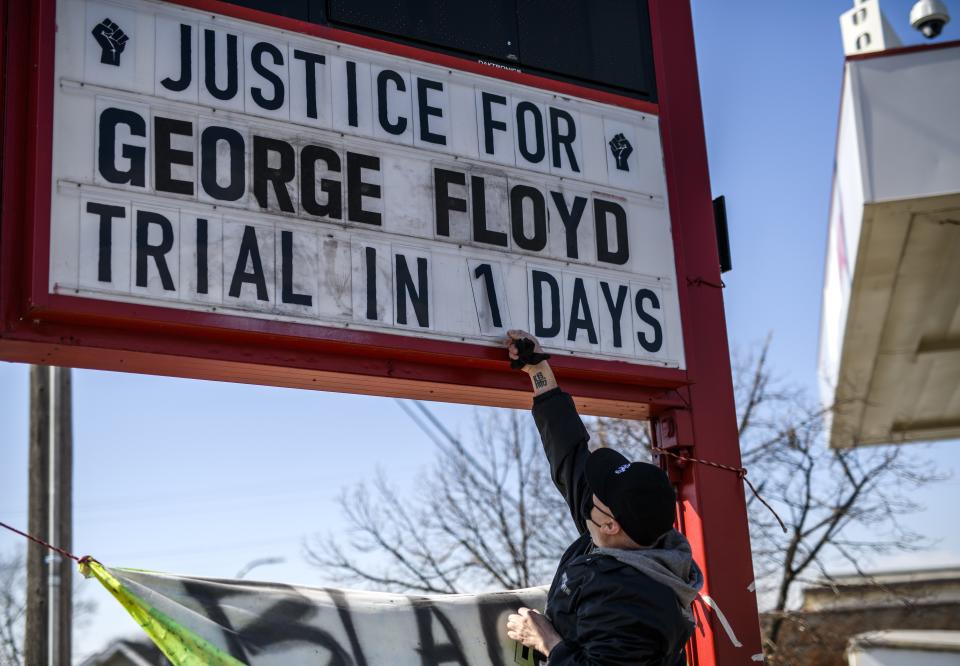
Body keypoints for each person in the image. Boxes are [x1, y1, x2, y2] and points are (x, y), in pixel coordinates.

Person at [503, 330, 703, 665]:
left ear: (610, 524)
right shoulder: (631, 536)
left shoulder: (634, 603)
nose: (588, 496)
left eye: (598, 497)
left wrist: (547, 641)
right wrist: (539, 371)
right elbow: (571, 457)